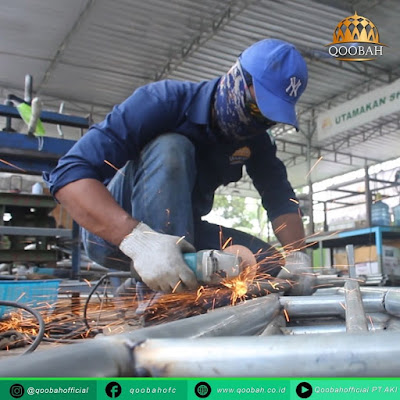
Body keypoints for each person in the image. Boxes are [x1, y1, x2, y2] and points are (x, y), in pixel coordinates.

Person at [44, 38, 312, 299]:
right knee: (171, 146)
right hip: (116, 234)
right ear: (236, 78)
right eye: (255, 108)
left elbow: (279, 197)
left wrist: (297, 256)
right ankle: (162, 301)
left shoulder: (255, 139)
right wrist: (139, 241)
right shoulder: (163, 101)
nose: (258, 122)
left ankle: (163, 289)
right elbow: (68, 175)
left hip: (186, 235)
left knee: (270, 265)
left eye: (269, 118)